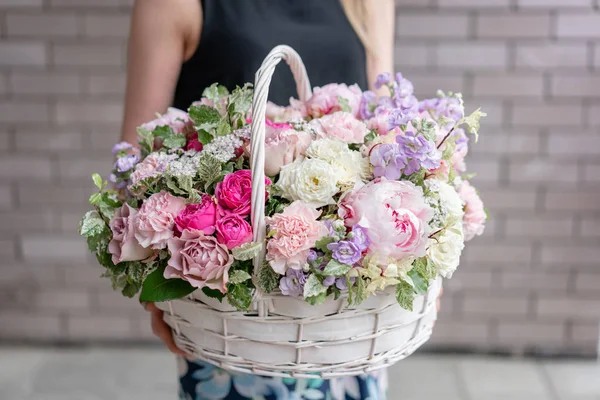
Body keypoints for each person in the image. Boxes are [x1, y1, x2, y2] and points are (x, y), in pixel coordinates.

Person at [120, 1, 432, 399]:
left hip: (348, 323)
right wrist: (154, 293)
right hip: (234, 317)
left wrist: (421, 245)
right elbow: (134, 157)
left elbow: (386, 126)